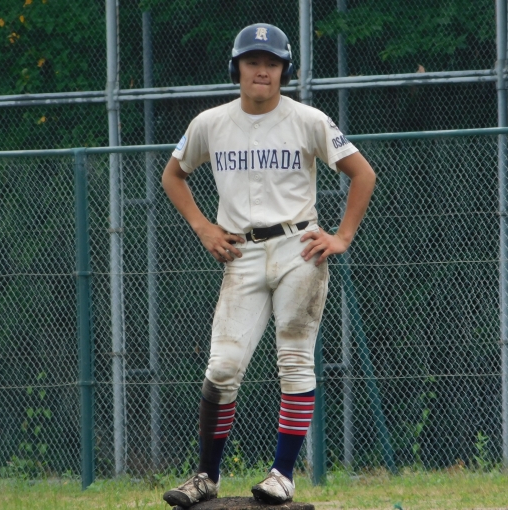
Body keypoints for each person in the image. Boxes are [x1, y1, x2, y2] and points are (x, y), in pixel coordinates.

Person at [161, 23, 376, 507]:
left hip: (299, 247)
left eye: (272, 63)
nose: (262, 70)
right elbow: (173, 175)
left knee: (294, 360)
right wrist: (203, 228)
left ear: (285, 71)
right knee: (222, 367)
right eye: (253, 61)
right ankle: (206, 476)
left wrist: (342, 236)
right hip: (242, 254)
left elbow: (363, 173)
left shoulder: (308, 119)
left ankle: (282, 474)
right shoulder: (210, 123)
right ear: (236, 68)